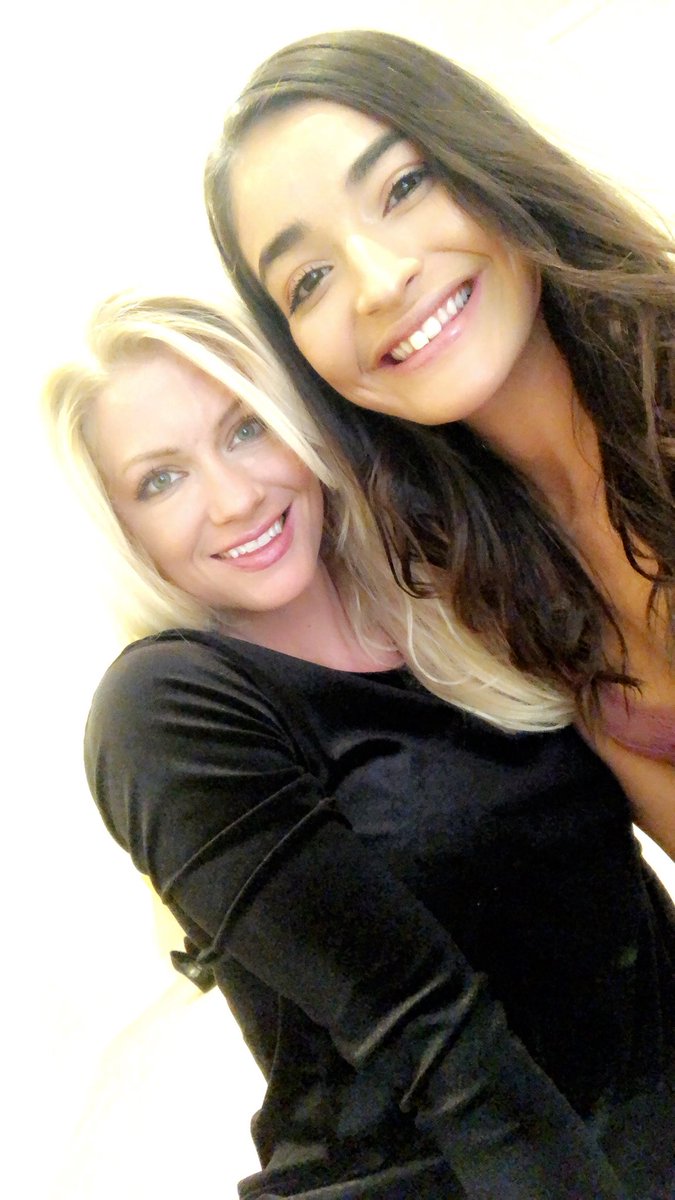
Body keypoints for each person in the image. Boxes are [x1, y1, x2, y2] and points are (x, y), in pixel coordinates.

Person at [43, 291, 675, 1200]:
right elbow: (440, 1048)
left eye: (245, 429)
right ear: (123, 529)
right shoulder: (164, 708)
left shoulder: (446, 592)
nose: (233, 498)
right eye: (161, 480)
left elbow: (622, 905)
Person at [204, 28, 675, 851]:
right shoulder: (490, 585)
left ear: (486, 162)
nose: (380, 281)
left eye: (402, 187)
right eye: (309, 279)